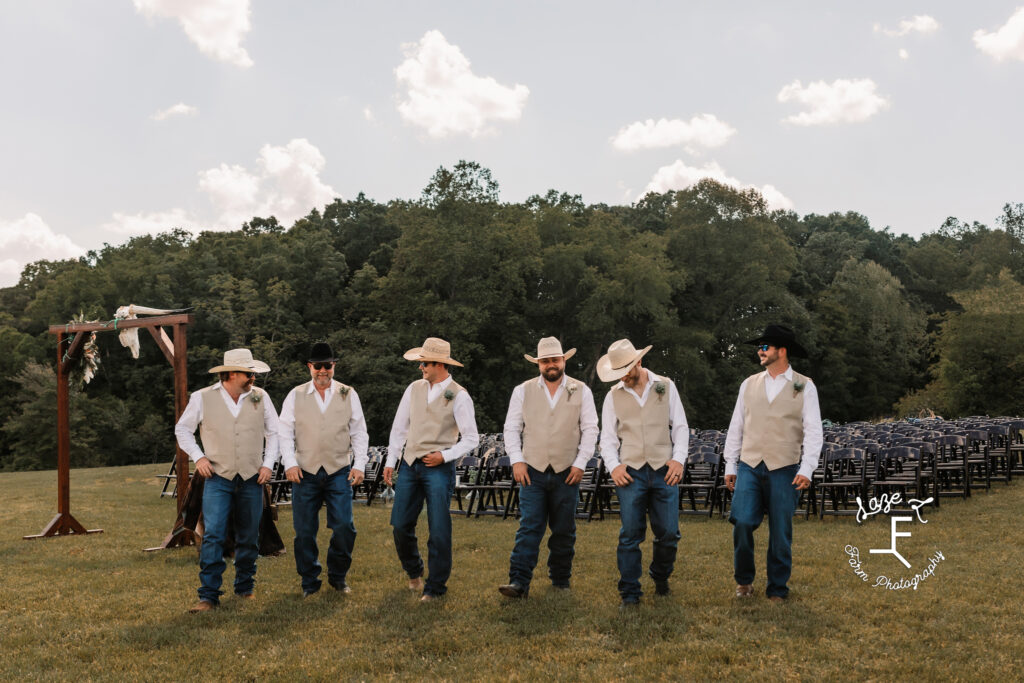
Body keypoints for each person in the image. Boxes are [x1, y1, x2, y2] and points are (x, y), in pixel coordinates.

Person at [174, 348, 279, 613]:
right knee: (213, 535)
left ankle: (245, 588)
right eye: (248, 373)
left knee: (249, 536)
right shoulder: (202, 398)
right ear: (231, 374)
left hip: (252, 478)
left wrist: (268, 464)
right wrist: (199, 457)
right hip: (218, 478)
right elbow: (182, 430)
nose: (252, 377)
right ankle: (208, 596)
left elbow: (276, 433)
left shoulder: (261, 397)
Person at [723, 324, 822, 602]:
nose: (760, 351)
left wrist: (807, 469)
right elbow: (736, 426)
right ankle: (744, 581)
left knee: (781, 531)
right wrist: (730, 464)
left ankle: (777, 588)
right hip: (749, 465)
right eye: (760, 347)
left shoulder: (805, 386)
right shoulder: (748, 384)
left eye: (765, 347)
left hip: (786, 468)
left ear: (782, 351)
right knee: (741, 522)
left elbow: (814, 431)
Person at [498, 337, 599, 599]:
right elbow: (511, 428)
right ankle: (518, 581)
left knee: (564, 528)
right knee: (529, 526)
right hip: (532, 469)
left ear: (564, 360)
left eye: (555, 360)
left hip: (568, 470)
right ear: (538, 364)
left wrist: (580, 463)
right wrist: (517, 460)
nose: (550, 365)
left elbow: (590, 430)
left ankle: (561, 579)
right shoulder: (523, 390)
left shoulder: (582, 390)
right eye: (545, 361)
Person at [383, 337, 479, 602]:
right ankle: (414, 571)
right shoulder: (413, 388)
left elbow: (472, 438)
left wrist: (444, 456)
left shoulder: (460, 395)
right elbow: (399, 427)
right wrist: (391, 461)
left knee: (438, 529)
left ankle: (435, 588)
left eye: (424, 363)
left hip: (439, 468)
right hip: (411, 465)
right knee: (400, 525)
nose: (421, 368)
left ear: (439, 364)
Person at [597, 339, 688, 607]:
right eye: (617, 373)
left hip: (663, 470)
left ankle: (660, 576)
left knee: (669, 533)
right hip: (630, 473)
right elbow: (608, 439)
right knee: (630, 534)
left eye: (625, 369)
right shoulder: (612, 395)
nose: (622, 376)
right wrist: (614, 466)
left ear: (637, 362)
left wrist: (678, 460)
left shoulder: (666, 386)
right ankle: (630, 593)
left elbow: (680, 427)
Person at [278, 342, 369, 597]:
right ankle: (310, 582)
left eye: (327, 366)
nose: (322, 371)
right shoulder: (295, 395)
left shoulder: (348, 393)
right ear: (309, 367)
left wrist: (359, 465)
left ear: (333, 366)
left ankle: (338, 576)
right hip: (304, 471)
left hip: (339, 470)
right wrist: (290, 463)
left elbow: (359, 432)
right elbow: (284, 432)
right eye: (317, 366)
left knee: (344, 527)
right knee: (304, 531)